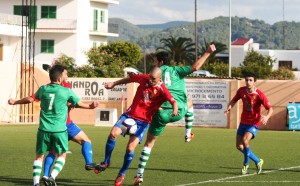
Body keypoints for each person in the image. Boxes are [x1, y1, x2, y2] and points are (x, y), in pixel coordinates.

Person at [133, 44, 216, 185]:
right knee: (190, 103)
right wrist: (207, 53)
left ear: (160, 62)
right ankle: (188, 133)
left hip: (159, 114)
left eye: (156, 61)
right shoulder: (176, 71)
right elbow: (195, 67)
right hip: (176, 111)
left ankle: (139, 175)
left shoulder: (153, 76)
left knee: (149, 144)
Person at [8, 65, 98, 186]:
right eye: (65, 74)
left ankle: (36, 183)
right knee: (62, 154)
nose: (67, 76)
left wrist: (15, 102)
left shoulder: (43, 89)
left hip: (43, 130)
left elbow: (30, 99)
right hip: (60, 130)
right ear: (60, 77)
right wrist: (90, 107)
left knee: (40, 156)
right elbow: (79, 103)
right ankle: (52, 176)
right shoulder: (66, 91)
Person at [94, 67, 179, 186]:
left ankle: (122, 173)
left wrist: (175, 110)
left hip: (143, 122)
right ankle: (106, 162)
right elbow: (130, 79)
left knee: (130, 148)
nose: (150, 80)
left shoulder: (162, 89)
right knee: (113, 134)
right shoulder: (144, 78)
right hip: (129, 115)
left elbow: (174, 101)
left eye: (153, 79)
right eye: (150, 77)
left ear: (160, 78)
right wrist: (113, 83)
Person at [224, 73, 273, 175]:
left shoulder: (259, 94)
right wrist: (229, 107)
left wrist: (267, 117)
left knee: (245, 141)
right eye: (247, 80)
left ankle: (245, 164)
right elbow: (233, 101)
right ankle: (257, 161)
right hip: (243, 122)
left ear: (254, 81)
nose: (248, 82)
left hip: (254, 123)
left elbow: (270, 109)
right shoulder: (241, 91)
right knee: (239, 146)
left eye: (250, 80)